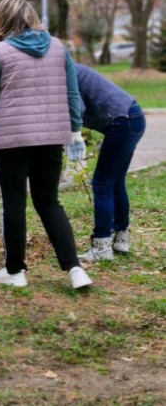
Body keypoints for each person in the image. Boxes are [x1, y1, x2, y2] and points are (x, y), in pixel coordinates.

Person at [0, 0, 92, 290]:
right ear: (31, 18)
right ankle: (75, 269)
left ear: (3, 20)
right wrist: (75, 133)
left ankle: (15, 272)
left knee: (14, 203)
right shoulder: (58, 49)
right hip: (51, 138)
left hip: (11, 139)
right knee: (49, 202)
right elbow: (72, 94)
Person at [75, 64, 146, 262]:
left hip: (122, 121)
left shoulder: (64, 71)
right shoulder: (69, 67)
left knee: (102, 183)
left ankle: (102, 245)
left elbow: (77, 108)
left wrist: (71, 136)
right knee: (115, 182)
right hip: (133, 116)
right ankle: (121, 237)